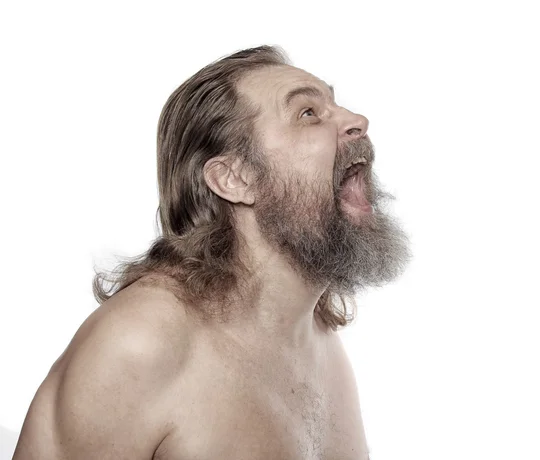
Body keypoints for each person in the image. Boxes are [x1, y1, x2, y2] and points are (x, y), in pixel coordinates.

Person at [13, 45, 410, 459]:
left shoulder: (322, 344)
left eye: (335, 105)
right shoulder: (141, 344)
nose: (357, 121)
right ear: (234, 178)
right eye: (308, 114)